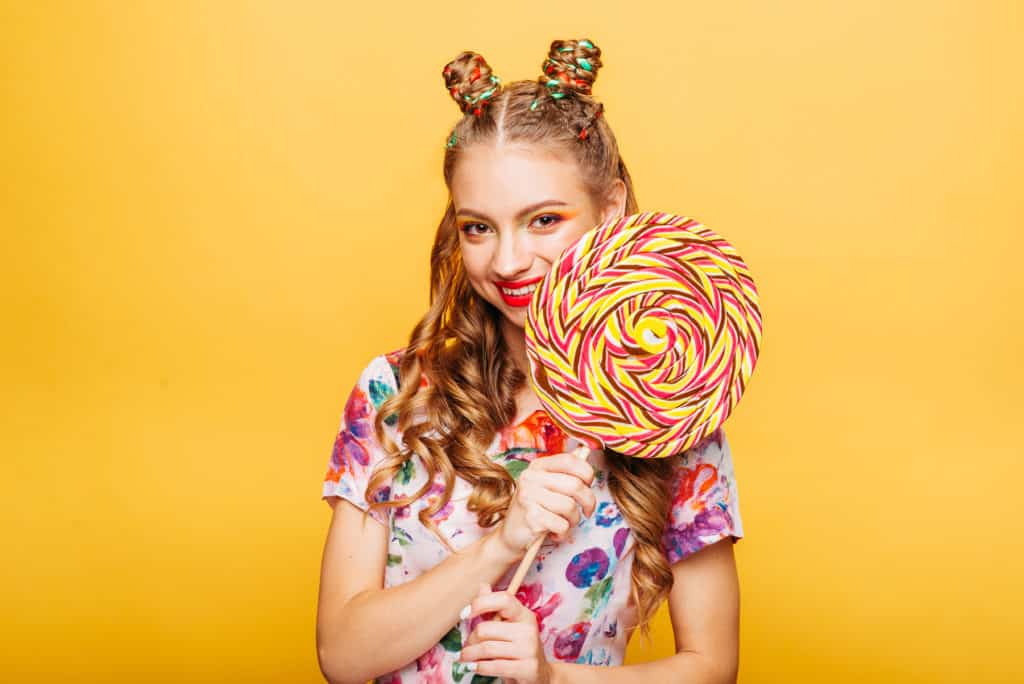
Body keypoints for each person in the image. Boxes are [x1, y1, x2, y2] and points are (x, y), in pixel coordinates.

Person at [316, 38, 744, 684]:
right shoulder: (394, 395)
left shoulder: (670, 406)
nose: (509, 261)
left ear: (613, 209)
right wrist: (501, 544)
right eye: (478, 227)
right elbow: (341, 656)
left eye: (543, 220)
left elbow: (713, 667)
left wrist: (555, 677)